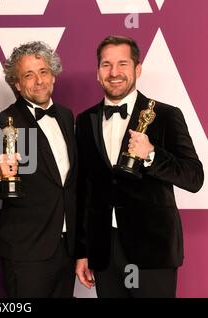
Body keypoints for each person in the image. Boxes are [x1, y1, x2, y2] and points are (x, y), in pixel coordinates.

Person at [75, 35, 204, 298]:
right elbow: (83, 188)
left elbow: (194, 177)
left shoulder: (166, 115)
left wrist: (152, 155)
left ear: (137, 69)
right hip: (104, 251)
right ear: (98, 73)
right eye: (106, 65)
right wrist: (82, 251)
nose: (114, 73)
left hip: (152, 250)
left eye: (122, 64)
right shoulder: (85, 119)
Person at [0, 41, 78, 297]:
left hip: (66, 248)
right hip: (26, 251)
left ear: (53, 76)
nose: (38, 80)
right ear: (16, 84)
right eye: (28, 74)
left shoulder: (66, 115)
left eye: (43, 72)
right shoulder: (2, 123)